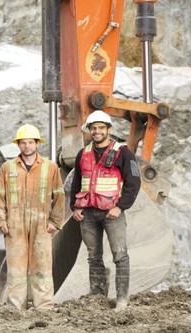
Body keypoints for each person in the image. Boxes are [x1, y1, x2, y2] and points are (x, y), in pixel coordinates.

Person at [70, 110, 141, 311]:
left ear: (108, 129)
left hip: (112, 213)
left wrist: (120, 207)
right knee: (93, 257)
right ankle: (98, 298)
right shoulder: (82, 154)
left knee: (120, 255)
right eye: (93, 128)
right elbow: (76, 183)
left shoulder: (123, 152)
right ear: (89, 131)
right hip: (88, 214)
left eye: (101, 128)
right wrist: (74, 207)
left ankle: (121, 299)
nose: (97, 131)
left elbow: (134, 183)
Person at [0, 124, 65, 310]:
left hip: (41, 223)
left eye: (30, 142)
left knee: (42, 265)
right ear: (18, 145)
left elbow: (59, 196)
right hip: (14, 224)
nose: (27, 146)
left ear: (37, 144)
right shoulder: (7, 167)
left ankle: (44, 306)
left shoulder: (50, 167)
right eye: (23, 143)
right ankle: (16, 306)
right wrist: (0, 221)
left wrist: (55, 222)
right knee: (16, 267)